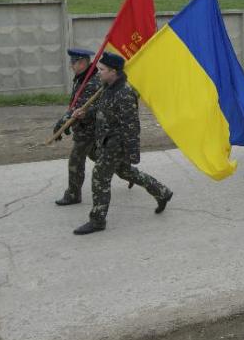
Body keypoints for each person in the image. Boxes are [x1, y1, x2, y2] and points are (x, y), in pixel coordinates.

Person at [70, 52, 172, 235]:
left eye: (102, 69)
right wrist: (85, 112)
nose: (98, 72)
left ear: (113, 71)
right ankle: (162, 191)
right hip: (106, 140)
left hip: (116, 144)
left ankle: (97, 220)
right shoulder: (107, 87)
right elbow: (101, 107)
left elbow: (132, 127)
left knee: (100, 177)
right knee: (126, 172)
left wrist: (133, 154)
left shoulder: (125, 93)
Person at [54, 48, 102, 206]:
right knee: (101, 158)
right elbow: (74, 105)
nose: (70, 66)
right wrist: (63, 121)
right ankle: (129, 173)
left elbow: (80, 109)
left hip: (89, 129)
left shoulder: (91, 82)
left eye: (72, 63)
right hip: (85, 128)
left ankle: (73, 194)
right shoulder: (82, 77)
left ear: (82, 63)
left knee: (75, 161)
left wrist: (62, 123)